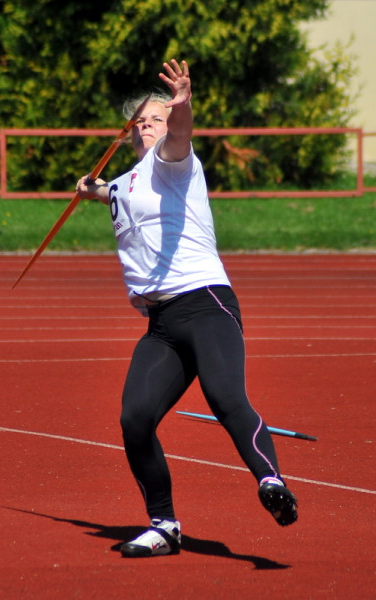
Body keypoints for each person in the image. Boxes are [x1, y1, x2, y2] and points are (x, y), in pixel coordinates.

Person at [76, 59, 297, 558]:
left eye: (158, 118)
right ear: (130, 132)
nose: (152, 125)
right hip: (162, 324)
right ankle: (164, 525)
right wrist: (94, 191)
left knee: (225, 398)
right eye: (143, 121)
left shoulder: (173, 161)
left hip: (205, 304)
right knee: (134, 420)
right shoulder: (127, 182)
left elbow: (178, 136)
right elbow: (123, 193)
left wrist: (182, 103)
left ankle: (270, 482)